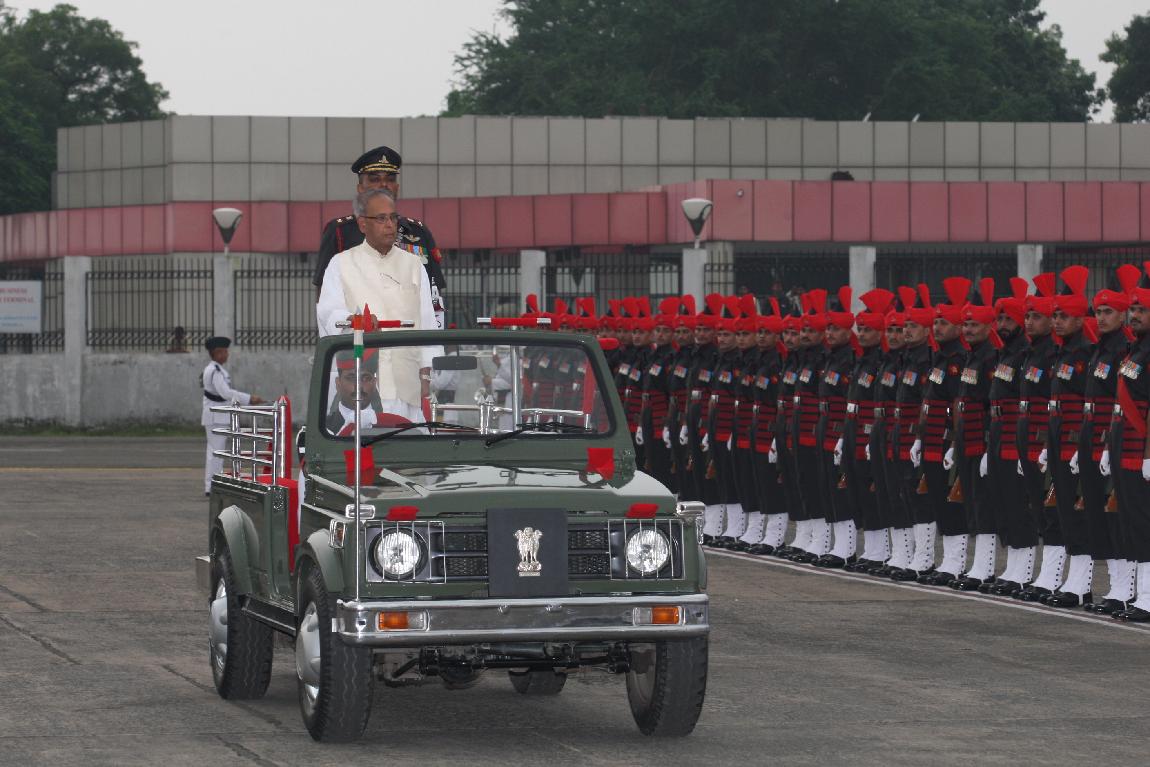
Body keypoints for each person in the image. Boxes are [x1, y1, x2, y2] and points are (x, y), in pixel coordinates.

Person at [316, 188, 439, 421]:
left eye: (393, 218)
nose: (390, 225)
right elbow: (329, 313)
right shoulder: (341, 264)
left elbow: (428, 323)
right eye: (381, 219)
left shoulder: (414, 265)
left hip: (407, 384)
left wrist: (426, 375)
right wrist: (353, 320)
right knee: (362, 442)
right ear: (363, 224)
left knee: (409, 440)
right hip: (362, 386)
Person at [312, 145, 447, 327]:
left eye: (390, 179)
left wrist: (436, 338)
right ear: (360, 188)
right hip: (360, 339)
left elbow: (434, 297)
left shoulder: (418, 232)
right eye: (375, 179)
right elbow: (325, 299)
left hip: (408, 338)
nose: (384, 185)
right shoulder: (340, 231)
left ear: (397, 187)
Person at [201, 336, 263, 495]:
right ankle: (212, 486)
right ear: (217, 353)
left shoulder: (215, 369)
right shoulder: (215, 371)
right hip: (216, 417)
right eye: (225, 352)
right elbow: (225, 393)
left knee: (215, 452)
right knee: (217, 453)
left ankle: (212, 485)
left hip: (216, 416)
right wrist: (249, 398)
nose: (227, 354)